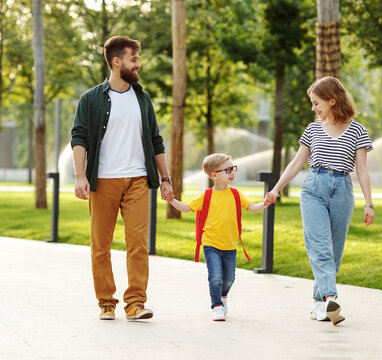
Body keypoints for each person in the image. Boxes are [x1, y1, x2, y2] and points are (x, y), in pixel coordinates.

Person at [71, 35, 174, 321]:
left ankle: (136, 303)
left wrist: (166, 179)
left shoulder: (142, 98)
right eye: (134, 59)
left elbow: (155, 140)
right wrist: (81, 176)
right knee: (100, 245)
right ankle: (106, 302)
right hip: (103, 181)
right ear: (117, 62)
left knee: (138, 243)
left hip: (139, 180)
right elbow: (78, 136)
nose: (138, 64)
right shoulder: (91, 99)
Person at [264, 76, 374, 325]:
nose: (313, 108)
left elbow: (363, 170)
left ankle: (318, 304)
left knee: (333, 253)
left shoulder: (358, 130)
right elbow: (296, 163)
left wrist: (369, 203)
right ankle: (330, 297)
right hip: (313, 188)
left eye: (316, 103)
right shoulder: (312, 129)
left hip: (343, 190)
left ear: (332, 101)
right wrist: (276, 189)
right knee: (320, 247)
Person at [168, 153, 268, 321]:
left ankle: (223, 297)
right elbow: (186, 208)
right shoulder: (206, 196)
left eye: (233, 168)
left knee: (229, 279)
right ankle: (217, 306)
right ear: (214, 175)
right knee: (215, 276)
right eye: (228, 170)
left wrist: (265, 202)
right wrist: (172, 200)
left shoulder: (236, 194)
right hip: (211, 244)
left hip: (230, 245)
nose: (232, 172)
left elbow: (252, 207)